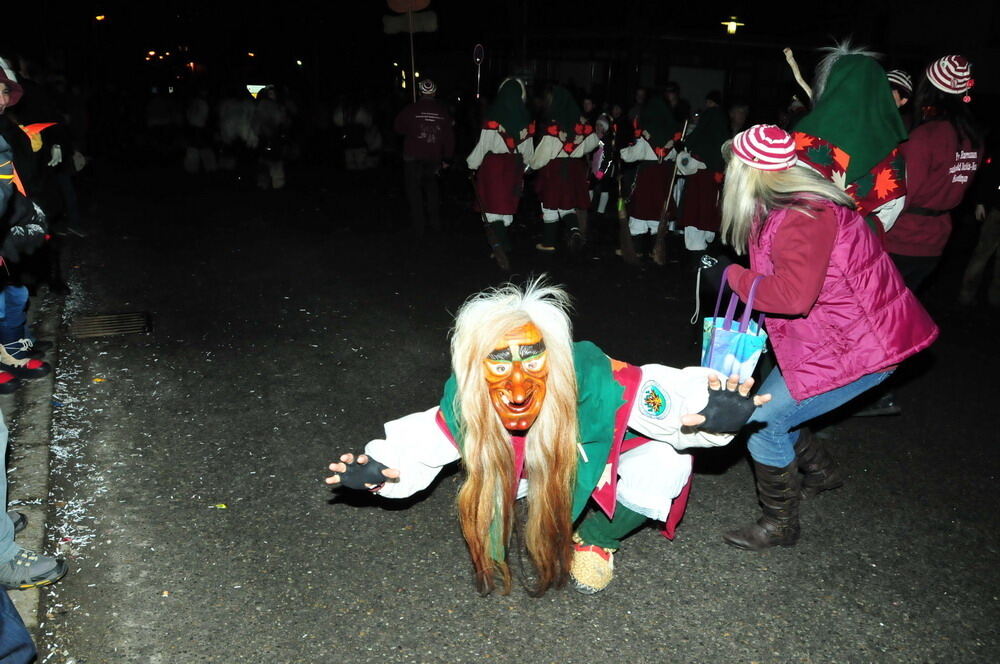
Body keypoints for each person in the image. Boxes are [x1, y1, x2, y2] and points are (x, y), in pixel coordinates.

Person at [326, 279, 769, 594]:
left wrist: (711, 415)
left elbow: (663, 399)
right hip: (529, 469)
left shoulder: (599, 380)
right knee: (500, 477)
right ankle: (534, 490)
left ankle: (599, 538)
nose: (517, 389)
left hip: (593, 466)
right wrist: (381, 472)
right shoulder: (469, 398)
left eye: (532, 361)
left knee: (667, 462)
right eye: (499, 364)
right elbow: (423, 442)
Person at [709, 125, 938, 551]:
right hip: (832, 337)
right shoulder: (785, 203)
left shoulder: (803, 216)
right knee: (776, 408)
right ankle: (822, 472)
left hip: (860, 347)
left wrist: (731, 276)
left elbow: (793, 296)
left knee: (763, 422)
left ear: (750, 172)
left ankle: (780, 526)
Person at [885, 55, 982, 293]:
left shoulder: (925, 137)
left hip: (903, 240)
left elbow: (901, 195)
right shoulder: (973, 138)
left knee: (878, 318)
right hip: (935, 242)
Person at [793, 42, 908, 235]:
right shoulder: (890, 147)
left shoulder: (804, 133)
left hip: (801, 238)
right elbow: (890, 211)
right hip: (855, 246)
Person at [466, 78, 535, 259]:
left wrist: (472, 164)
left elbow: (483, 145)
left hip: (493, 167)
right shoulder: (526, 119)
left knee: (492, 206)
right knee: (504, 206)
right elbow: (528, 149)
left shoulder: (493, 117)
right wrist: (527, 165)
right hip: (514, 166)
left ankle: (502, 245)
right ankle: (500, 243)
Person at [528, 87, 599, 252]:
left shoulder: (553, 125)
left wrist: (532, 165)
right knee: (567, 205)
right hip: (574, 168)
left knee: (550, 205)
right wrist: (578, 150)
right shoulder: (581, 123)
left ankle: (548, 242)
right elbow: (595, 141)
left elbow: (544, 153)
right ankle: (575, 231)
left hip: (554, 169)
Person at [619, 96, 680, 260]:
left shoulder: (646, 134)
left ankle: (636, 250)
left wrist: (622, 152)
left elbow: (632, 155)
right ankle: (656, 250)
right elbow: (676, 157)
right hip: (663, 179)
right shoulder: (672, 136)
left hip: (647, 177)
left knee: (640, 213)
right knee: (657, 214)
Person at [393, 79, 455, 236]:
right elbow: (449, 137)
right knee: (432, 190)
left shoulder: (411, 109)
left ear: (420, 92)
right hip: (433, 157)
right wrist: (447, 158)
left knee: (414, 192)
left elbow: (398, 127)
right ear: (434, 93)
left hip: (413, 157)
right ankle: (435, 224)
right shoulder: (442, 112)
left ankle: (418, 226)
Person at [677, 91, 728, 252]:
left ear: (710, 102)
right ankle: (708, 238)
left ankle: (695, 250)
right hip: (715, 174)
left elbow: (697, 137)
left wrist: (684, 146)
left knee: (696, 208)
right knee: (709, 207)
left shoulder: (709, 118)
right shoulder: (723, 120)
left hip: (700, 174)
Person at [959, 141, 1000, 307]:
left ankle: (995, 298)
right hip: (997, 211)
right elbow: (990, 173)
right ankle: (966, 295)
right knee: (982, 254)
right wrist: (981, 202)